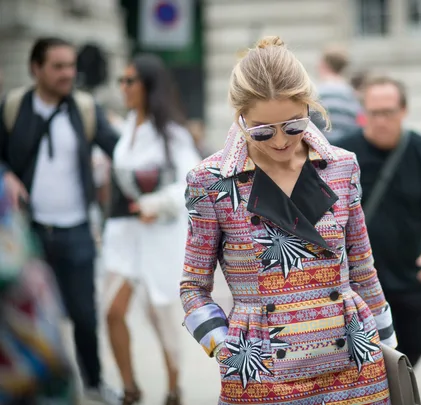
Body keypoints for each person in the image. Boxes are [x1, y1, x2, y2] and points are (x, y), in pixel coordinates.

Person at [181, 36, 397, 405]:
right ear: (241, 117)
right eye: (263, 130)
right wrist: (227, 348)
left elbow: (363, 270)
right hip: (262, 371)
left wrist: (390, 345)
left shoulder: (342, 166)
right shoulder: (211, 180)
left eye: (294, 125)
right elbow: (192, 288)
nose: (281, 141)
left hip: (355, 362)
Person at [0, 37, 119, 404]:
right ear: (36, 69)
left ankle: (95, 384)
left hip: (77, 230)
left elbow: (119, 148)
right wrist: (5, 173)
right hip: (29, 233)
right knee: (30, 316)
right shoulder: (13, 107)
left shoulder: (84, 109)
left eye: (71, 66)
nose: (68, 73)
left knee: (85, 316)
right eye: (58, 66)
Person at [335, 76, 421, 366]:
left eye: (388, 112)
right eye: (374, 112)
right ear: (363, 112)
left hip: (409, 278)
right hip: (356, 283)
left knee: (408, 355)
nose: (381, 120)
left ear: (403, 111)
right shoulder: (341, 155)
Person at [102, 54, 201, 405]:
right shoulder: (126, 127)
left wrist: (156, 204)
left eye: (131, 81)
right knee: (112, 311)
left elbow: (192, 182)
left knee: (162, 314)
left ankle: (174, 389)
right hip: (124, 234)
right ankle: (130, 389)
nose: (124, 88)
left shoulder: (172, 134)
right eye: (122, 81)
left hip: (160, 234)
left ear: (148, 86)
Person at [310, 45, 362, 141]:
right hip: (347, 147)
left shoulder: (315, 92)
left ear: (323, 64)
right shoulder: (352, 94)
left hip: (322, 148)